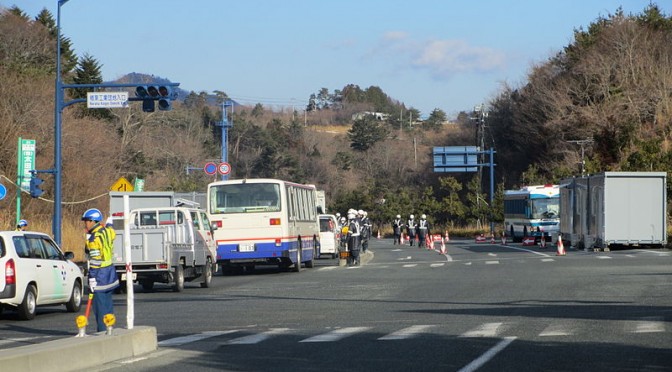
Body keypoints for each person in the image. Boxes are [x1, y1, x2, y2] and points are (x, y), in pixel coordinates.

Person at [82, 208, 119, 333]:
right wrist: (109, 224)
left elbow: (95, 261)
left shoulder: (93, 239)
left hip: (99, 275)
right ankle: (110, 328)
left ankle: (102, 331)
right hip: (110, 273)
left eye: (87, 221)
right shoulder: (108, 232)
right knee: (108, 305)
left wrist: (91, 278)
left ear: (93, 221)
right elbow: (112, 231)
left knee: (100, 307)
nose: (85, 224)